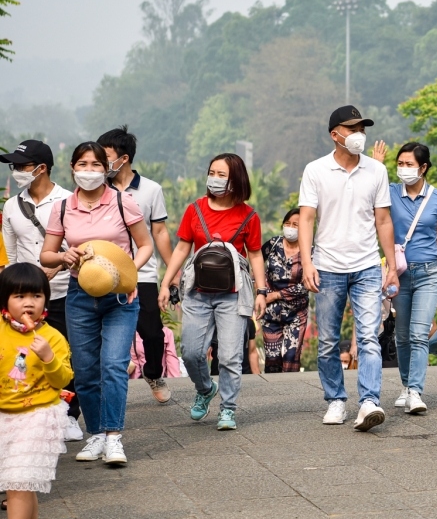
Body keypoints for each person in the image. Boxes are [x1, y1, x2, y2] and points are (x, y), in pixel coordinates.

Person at [41, 142, 152, 467]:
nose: (88, 170)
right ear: (73, 167)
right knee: (86, 370)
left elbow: (145, 245)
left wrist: (129, 275)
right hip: (79, 294)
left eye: (95, 164)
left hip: (120, 297)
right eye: (82, 164)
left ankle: (114, 437)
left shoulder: (122, 202)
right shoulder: (63, 208)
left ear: (107, 169)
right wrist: (64, 255)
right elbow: (46, 255)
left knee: (114, 365)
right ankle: (97, 434)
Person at [298, 106, 399, 431]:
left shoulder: (376, 171)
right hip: (327, 268)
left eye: (362, 128)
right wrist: (307, 262)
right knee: (327, 340)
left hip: (367, 266)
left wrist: (392, 266)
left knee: (369, 337)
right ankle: (337, 400)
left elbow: (383, 219)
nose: (358, 134)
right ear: (335, 134)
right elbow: (307, 219)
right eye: (351, 128)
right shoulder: (315, 170)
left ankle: (369, 401)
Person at [158, 153, 267, 431]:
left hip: (233, 293)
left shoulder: (249, 215)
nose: (215, 179)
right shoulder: (195, 209)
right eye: (212, 173)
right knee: (192, 353)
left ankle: (228, 408)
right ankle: (205, 388)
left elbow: (255, 255)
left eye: (222, 175)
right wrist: (166, 282)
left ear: (236, 179)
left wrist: (262, 291)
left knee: (230, 356)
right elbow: (182, 247)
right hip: (197, 292)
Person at [0, 141, 82, 441]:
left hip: (65, 290)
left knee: (69, 355)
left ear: (41, 168)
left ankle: (71, 415)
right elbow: (9, 258)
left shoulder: (69, 201)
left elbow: (79, 245)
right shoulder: (11, 206)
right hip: (26, 299)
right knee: (24, 356)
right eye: (15, 166)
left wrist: (57, 267)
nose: (17, 171)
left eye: (21, 166)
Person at [0, 264, 73, 519]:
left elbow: (64, 379)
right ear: (5, 301)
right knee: (21, 481)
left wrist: (47, 357)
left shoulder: (52, 337)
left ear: (46, 299)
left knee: (18, 481)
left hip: (39, 413)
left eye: (36, 295)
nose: (28, 303)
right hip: (5, 414)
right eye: (19, 296)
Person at [372, 140, 437, 412]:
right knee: (403, 335)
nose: (403, 169)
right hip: (400, 273)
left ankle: (416, 391)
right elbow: (370, 193)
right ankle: (406, 385)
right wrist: (377, 164)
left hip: (429, 271)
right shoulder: (390, 192)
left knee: (420, 334)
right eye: (400, 164)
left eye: (409, 164)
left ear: (424, 167)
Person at [97, 126, 176, 404]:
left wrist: (172, 272)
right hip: (102, 273)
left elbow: (160, 233)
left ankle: (153, 372)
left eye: (105, 157)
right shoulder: (95, 188)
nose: (100, 163)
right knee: (103, 332)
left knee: (152, 331)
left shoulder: (151, 190)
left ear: (125, 158)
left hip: (142, 273)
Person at [259, 209, 309, 373]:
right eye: (287, 223)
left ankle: (292, 395)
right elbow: (256, 264)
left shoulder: (309, 251)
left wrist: (276, 295)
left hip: (296, 314)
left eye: (295, 224)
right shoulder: (273, 245)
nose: (290, 228)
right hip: (270, 313)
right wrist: (261, 290)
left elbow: (307, 284)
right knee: (272, 362)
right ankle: (272, 395)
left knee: (291, 359)